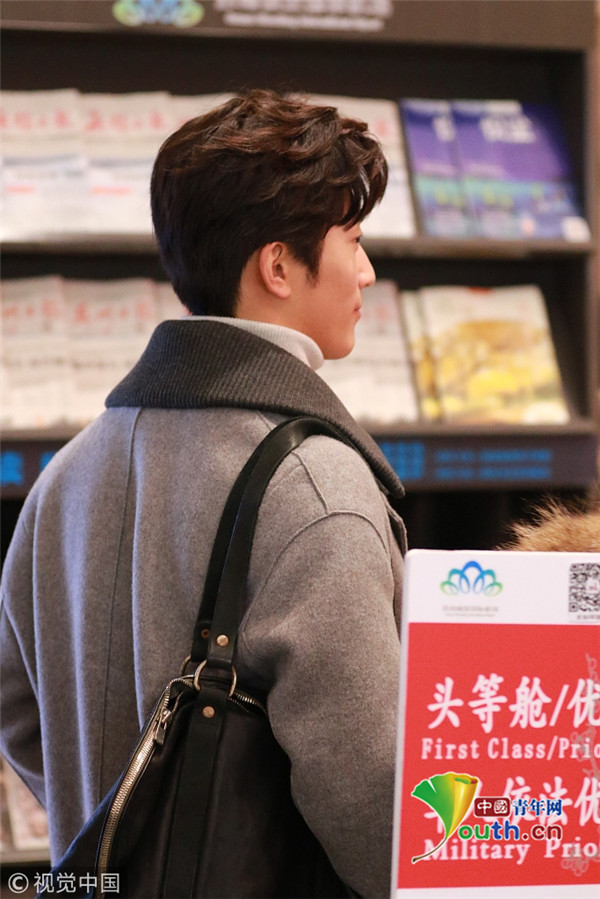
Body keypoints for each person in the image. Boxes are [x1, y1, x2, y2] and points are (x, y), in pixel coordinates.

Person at [0, 90, 407, 897]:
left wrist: (131, 825)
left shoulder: (67, 473)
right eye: (354, 241)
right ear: (278, 266)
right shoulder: (317, 487)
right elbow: (376, 815)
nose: (366, 271)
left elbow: (16, 707)